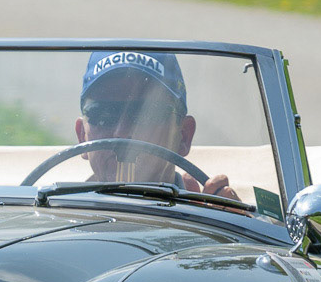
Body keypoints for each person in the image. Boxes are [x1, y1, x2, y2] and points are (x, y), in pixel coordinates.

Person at [74, 50, 236, 199]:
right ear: (82, 136)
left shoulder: (210, 219)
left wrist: (231, 224)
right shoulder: (56, 216)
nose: (122, 132)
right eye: (103, 116)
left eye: (147, 115)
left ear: (184, 136)